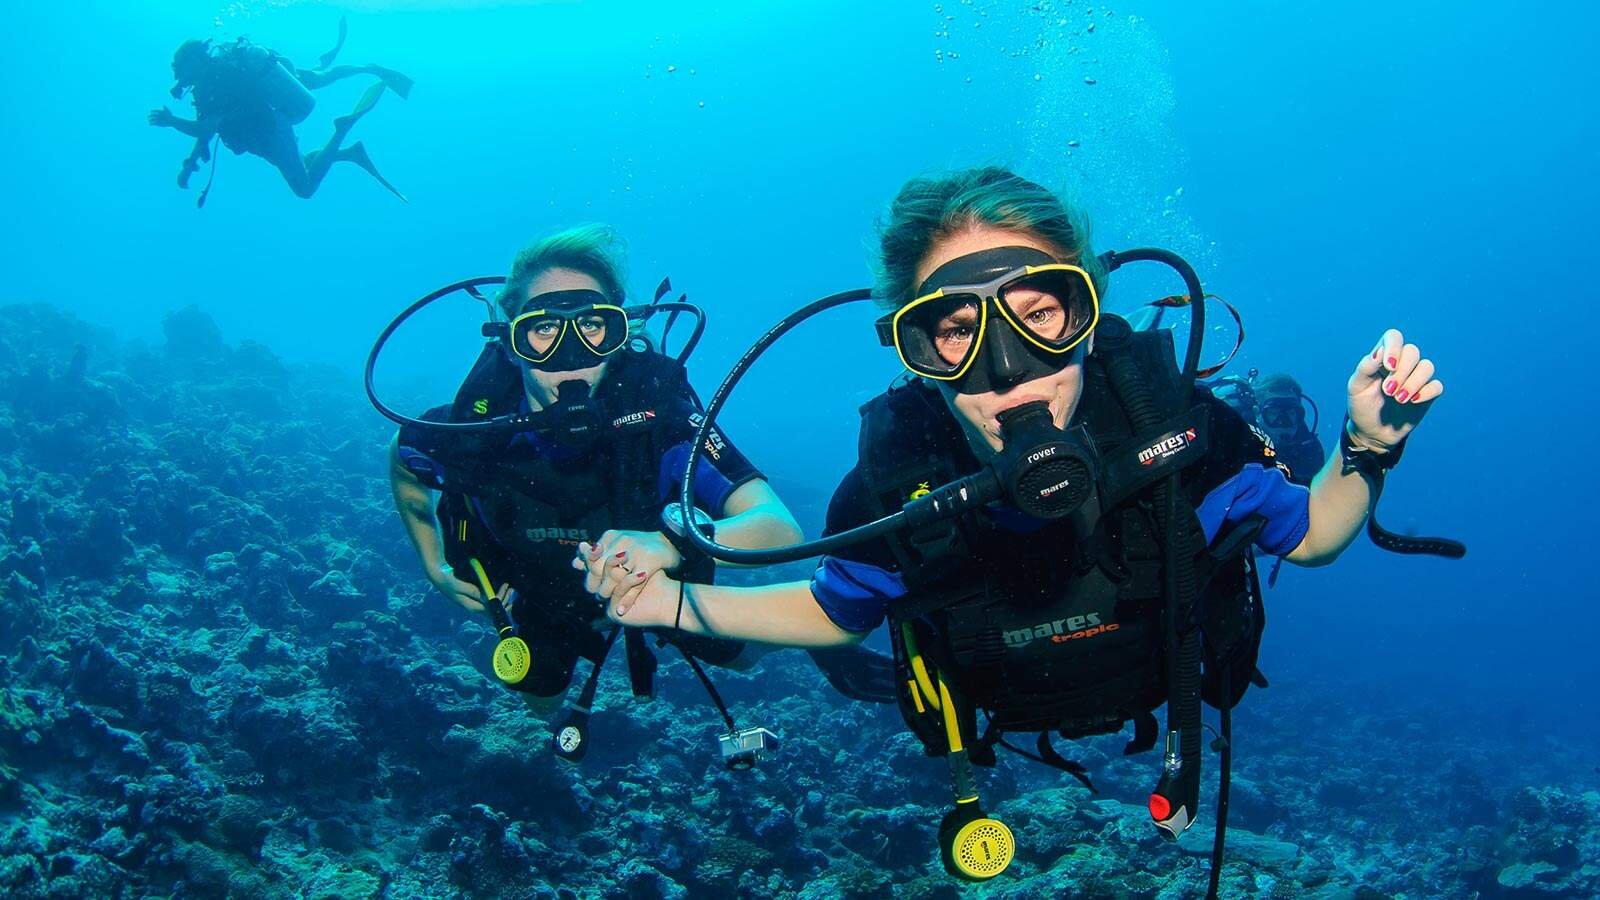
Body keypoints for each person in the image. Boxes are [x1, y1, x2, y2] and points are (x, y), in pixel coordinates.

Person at [586, 167, 1450, 888]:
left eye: (1040, 314)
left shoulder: (1185, 435)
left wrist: (1367, 446)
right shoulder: (891, 489)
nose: (1005, 372)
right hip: (1001, 725)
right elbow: (834, 609)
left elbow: (1312, 536)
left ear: (1091, 313)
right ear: (911, 351)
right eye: (955, 332)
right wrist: (663, 604)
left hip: (1168, 691)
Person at [388, 226, 889, 752]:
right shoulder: (470, 433)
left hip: (659, 585)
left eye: (592, 326)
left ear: (620, 332)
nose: (571, 356)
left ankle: (809, 645)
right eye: (542, 331)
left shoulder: (662, 425)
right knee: (538, 695)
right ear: (510, 342)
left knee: (741, 656)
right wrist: (435, 567)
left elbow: (776, 527)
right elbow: (403, 463)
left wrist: (669, 545)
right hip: (541, 593)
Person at [147, 19, 410, 202]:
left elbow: (206, 128)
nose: (177, 73)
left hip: (270, 131)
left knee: (304, 187)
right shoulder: (206, 87)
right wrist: (190, 165)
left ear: (194, 60)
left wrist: (171, 121)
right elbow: (204, 132)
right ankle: (351, 148)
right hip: (267, 124)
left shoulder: (216, 81)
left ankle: (343, 128)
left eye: (179, 65)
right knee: (317, 81)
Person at [1254, 372, 1326, 486]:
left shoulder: (1310, 451)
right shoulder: (1241, 443)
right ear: (1257, 413)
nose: (1283, 422)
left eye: (1291, 413)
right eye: (1273, 413)